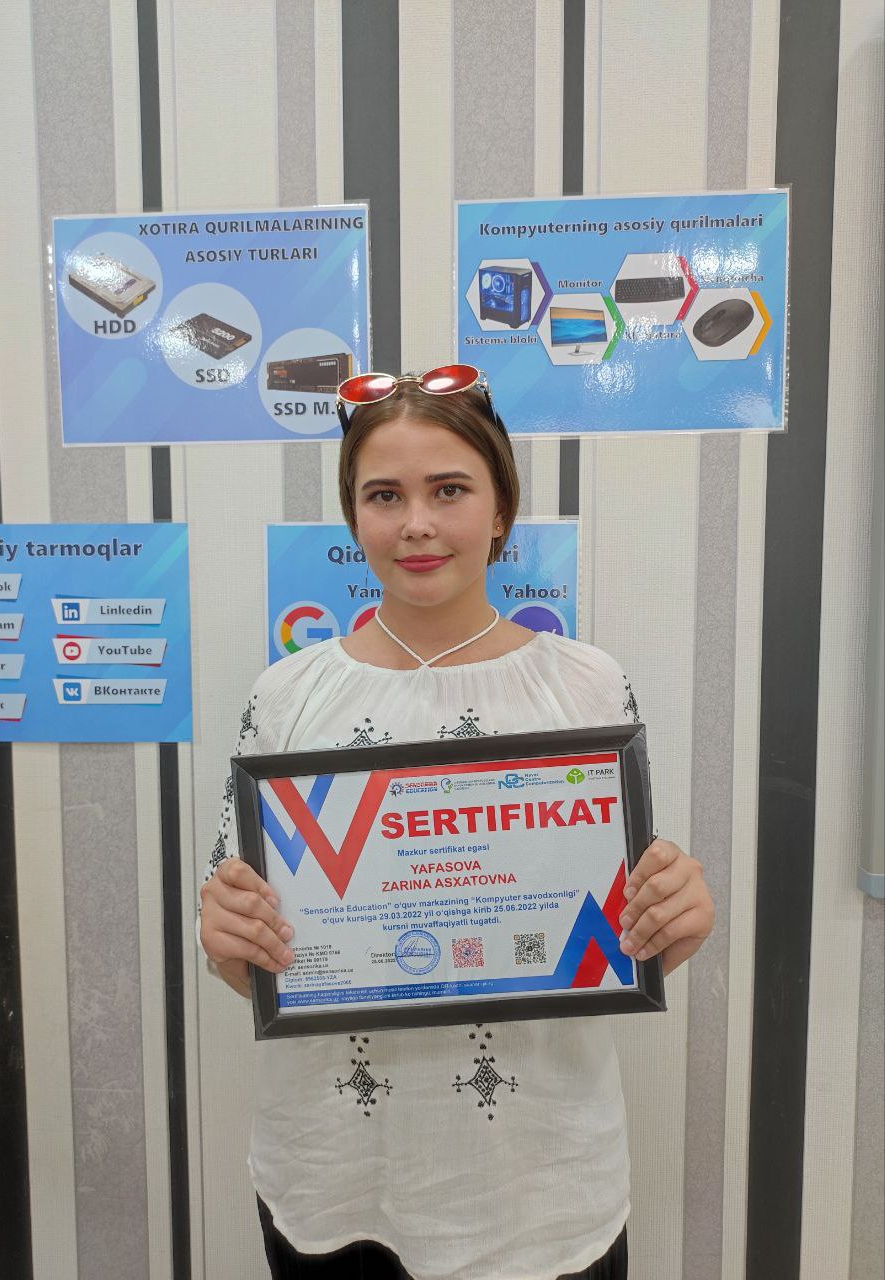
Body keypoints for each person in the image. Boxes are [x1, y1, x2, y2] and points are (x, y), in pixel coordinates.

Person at [199, 364, 714, 1280]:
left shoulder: (586, 686)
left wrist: (670, 923)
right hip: (333, 1174)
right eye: (384, 496)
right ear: (354, 516)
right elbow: (248, 964)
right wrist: (229, 938)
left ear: (501, 506)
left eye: (449, 490)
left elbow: (616, 941)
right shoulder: (287, 695)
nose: (417, 523)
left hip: (543, 1184)